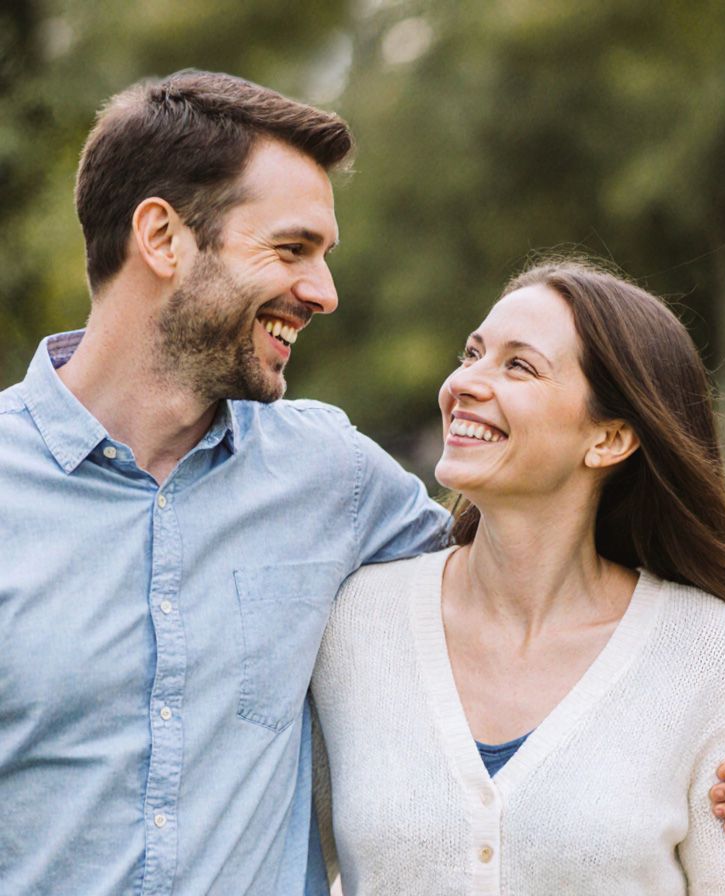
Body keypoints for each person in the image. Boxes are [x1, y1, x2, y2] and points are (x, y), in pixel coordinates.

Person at [0, 70, 450, 895]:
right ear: (163, 238)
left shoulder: (336, 476)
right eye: (291, 249)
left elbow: (549, 584)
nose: (323, 292)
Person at [311, 260, 725, 894]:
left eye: (519, 366)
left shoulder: (708, 652)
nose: (464, 383)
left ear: (611, 438)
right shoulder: (353, 621)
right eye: (473, 353)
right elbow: (273, 856)